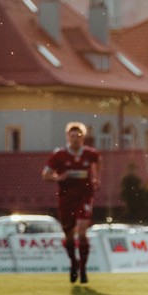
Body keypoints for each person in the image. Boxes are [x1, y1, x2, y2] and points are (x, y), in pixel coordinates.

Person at [42, 121, 101, 284]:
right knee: (68, 235)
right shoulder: (59, 155)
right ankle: (73, 262)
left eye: (78, 136)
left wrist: (96, 179)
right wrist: (58, 177)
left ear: (83, 137)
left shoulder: (90, 154)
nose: (75, 139)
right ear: (67, 137)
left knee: (81, 231)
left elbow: (97, 165)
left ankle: (83, 269)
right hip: (66, 198)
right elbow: (45, 174)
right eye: (72, 136)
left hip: (85, 196)